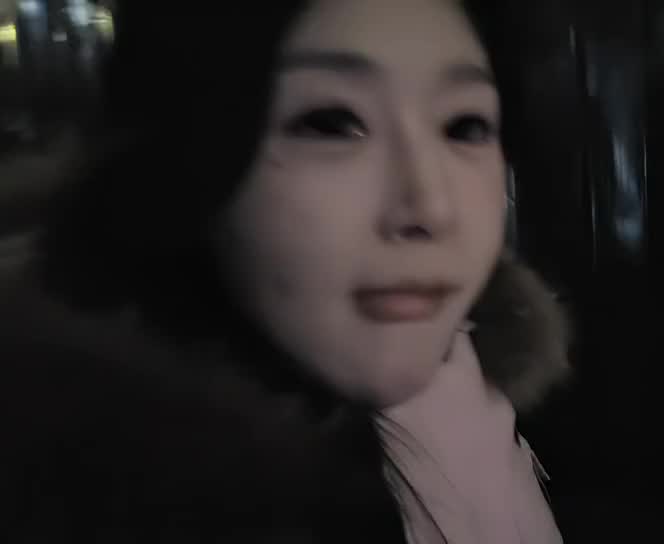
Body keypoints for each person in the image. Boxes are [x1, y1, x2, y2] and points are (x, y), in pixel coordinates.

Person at [0, 0, 572, 541]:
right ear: (183, 158)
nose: (430, 208)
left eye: (466, 126)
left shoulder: (471, 392)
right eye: (331, 123)